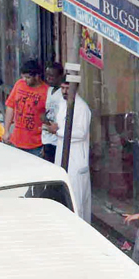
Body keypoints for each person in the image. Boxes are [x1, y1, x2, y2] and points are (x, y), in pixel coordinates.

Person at [42, 81, 92, 223]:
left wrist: (57, 131)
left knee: (77, 199)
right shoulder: (63, 104)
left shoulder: (82, 108)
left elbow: (81, 133)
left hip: (76, 159)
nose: (64, 91)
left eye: (67, 88)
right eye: (62, 88)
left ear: (75, 88)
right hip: (62, 153)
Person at [3, 59, 48, 156]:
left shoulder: (46, 91)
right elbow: (10, 106)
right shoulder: (19, 84)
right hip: (16, 141)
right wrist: (6, 130)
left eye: (28, 77)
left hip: (36, 144)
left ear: (37, 76)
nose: (24, 80)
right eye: (23, 77)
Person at [41, 62, 65, 163]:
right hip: (46, 137)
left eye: (52, 76)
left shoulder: (63, 94)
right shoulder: (49, 90)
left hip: (57, 139)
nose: (48, 79)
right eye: (47, 76)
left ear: (60, 76)